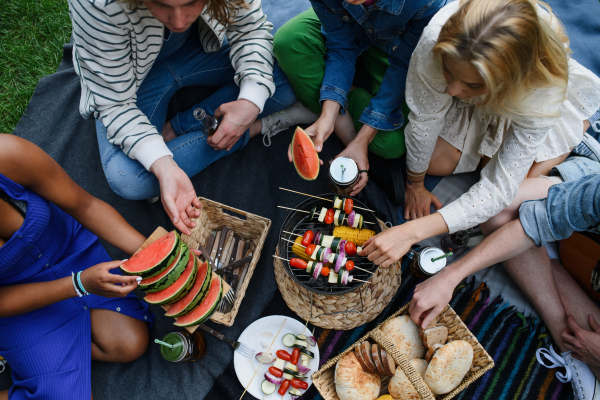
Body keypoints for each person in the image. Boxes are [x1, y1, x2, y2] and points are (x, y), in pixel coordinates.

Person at [360, 0, 600, 268]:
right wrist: (414, 183)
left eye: (470, 83)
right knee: (433, 163)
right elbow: (424, 120)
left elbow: (498, 189)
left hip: (520, 101)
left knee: (518, 190)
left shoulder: (539, 94)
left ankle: (584, 124)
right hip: (481, 99)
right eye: (448, 71)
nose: (450, 90)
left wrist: (413, 231)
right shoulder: (436, 36)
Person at [67, 0, 312, 236]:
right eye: (162, 5)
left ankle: (181, 126)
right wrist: (163, 165)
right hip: (132, 80)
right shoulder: (95, 3)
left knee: (286, 76)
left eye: (191, 3)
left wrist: (250, 101)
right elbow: (114, 103)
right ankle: (257, 126)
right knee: (130, 179)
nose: (179, 20)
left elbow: (249, 28)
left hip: (200, 47)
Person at [408, 157, 600, 400]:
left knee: (507, 230)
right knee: (497, 209)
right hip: (582, 188)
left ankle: (545, 259)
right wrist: (451, 275)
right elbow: (538, 221)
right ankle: (567, 339)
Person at [0, 135, 166, 399]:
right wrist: (78, 285)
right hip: (17, 301)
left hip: (69, 248)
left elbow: (85, 205)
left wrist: (161, 254)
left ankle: (56, 353)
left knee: (130, 343)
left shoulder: (7, 155)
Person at [273, 0, 447, 204]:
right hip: (353, 30)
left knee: (392, 144)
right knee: (289, 42)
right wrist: (328, 116)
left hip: (397, 52)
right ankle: (335, 114)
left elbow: (401, 67)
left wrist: (363, 139)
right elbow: (340, 46)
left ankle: (333, 104)